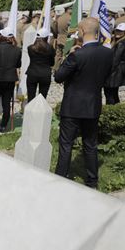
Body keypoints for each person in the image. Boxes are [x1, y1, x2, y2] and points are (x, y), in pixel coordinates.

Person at [53, 18, 113, 189]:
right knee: (90, 143)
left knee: (66, 144)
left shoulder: (77, 55)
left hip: (73, 105)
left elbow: (58, 77)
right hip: (93, 104)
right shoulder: (108, 53)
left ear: (82, 30)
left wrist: (68, 56)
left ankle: (61, 177)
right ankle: (92, 180)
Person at [0, 30, 22, 133]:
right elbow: (18, 65)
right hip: (10, 79)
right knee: (6, 103)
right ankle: (3, 126)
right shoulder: (17, 50)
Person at [104, 23, 125, 105]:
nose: (118, 33)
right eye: (117, 31)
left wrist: (106, 71)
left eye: (121, 31)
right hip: (117, 72)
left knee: (109, 94)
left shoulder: (121, 43)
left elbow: (115, 59)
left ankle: (111, 114)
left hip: (114, 73)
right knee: (114, 94)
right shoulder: (122, 41)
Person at [25, 31, 54, 101]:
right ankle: (40, 111)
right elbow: (52, 63)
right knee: (42, 99)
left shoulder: (30, 48)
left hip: (32, 73)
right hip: (45, 74)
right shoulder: (50, 49)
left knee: (30, 97)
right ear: (46, 38)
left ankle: (30, 111)